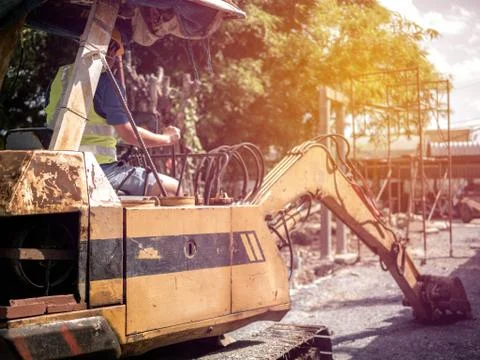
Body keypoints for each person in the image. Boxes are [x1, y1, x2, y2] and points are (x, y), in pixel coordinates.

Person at [45, 30, 180, 196]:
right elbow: (129, 135)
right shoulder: (106, 81)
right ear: (110, 49)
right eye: (116, 53)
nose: (116, 59)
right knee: (175, 188)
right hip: (98, 170)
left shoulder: (61, 76)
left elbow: (79, 122)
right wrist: (167, 138)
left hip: (60, 167)